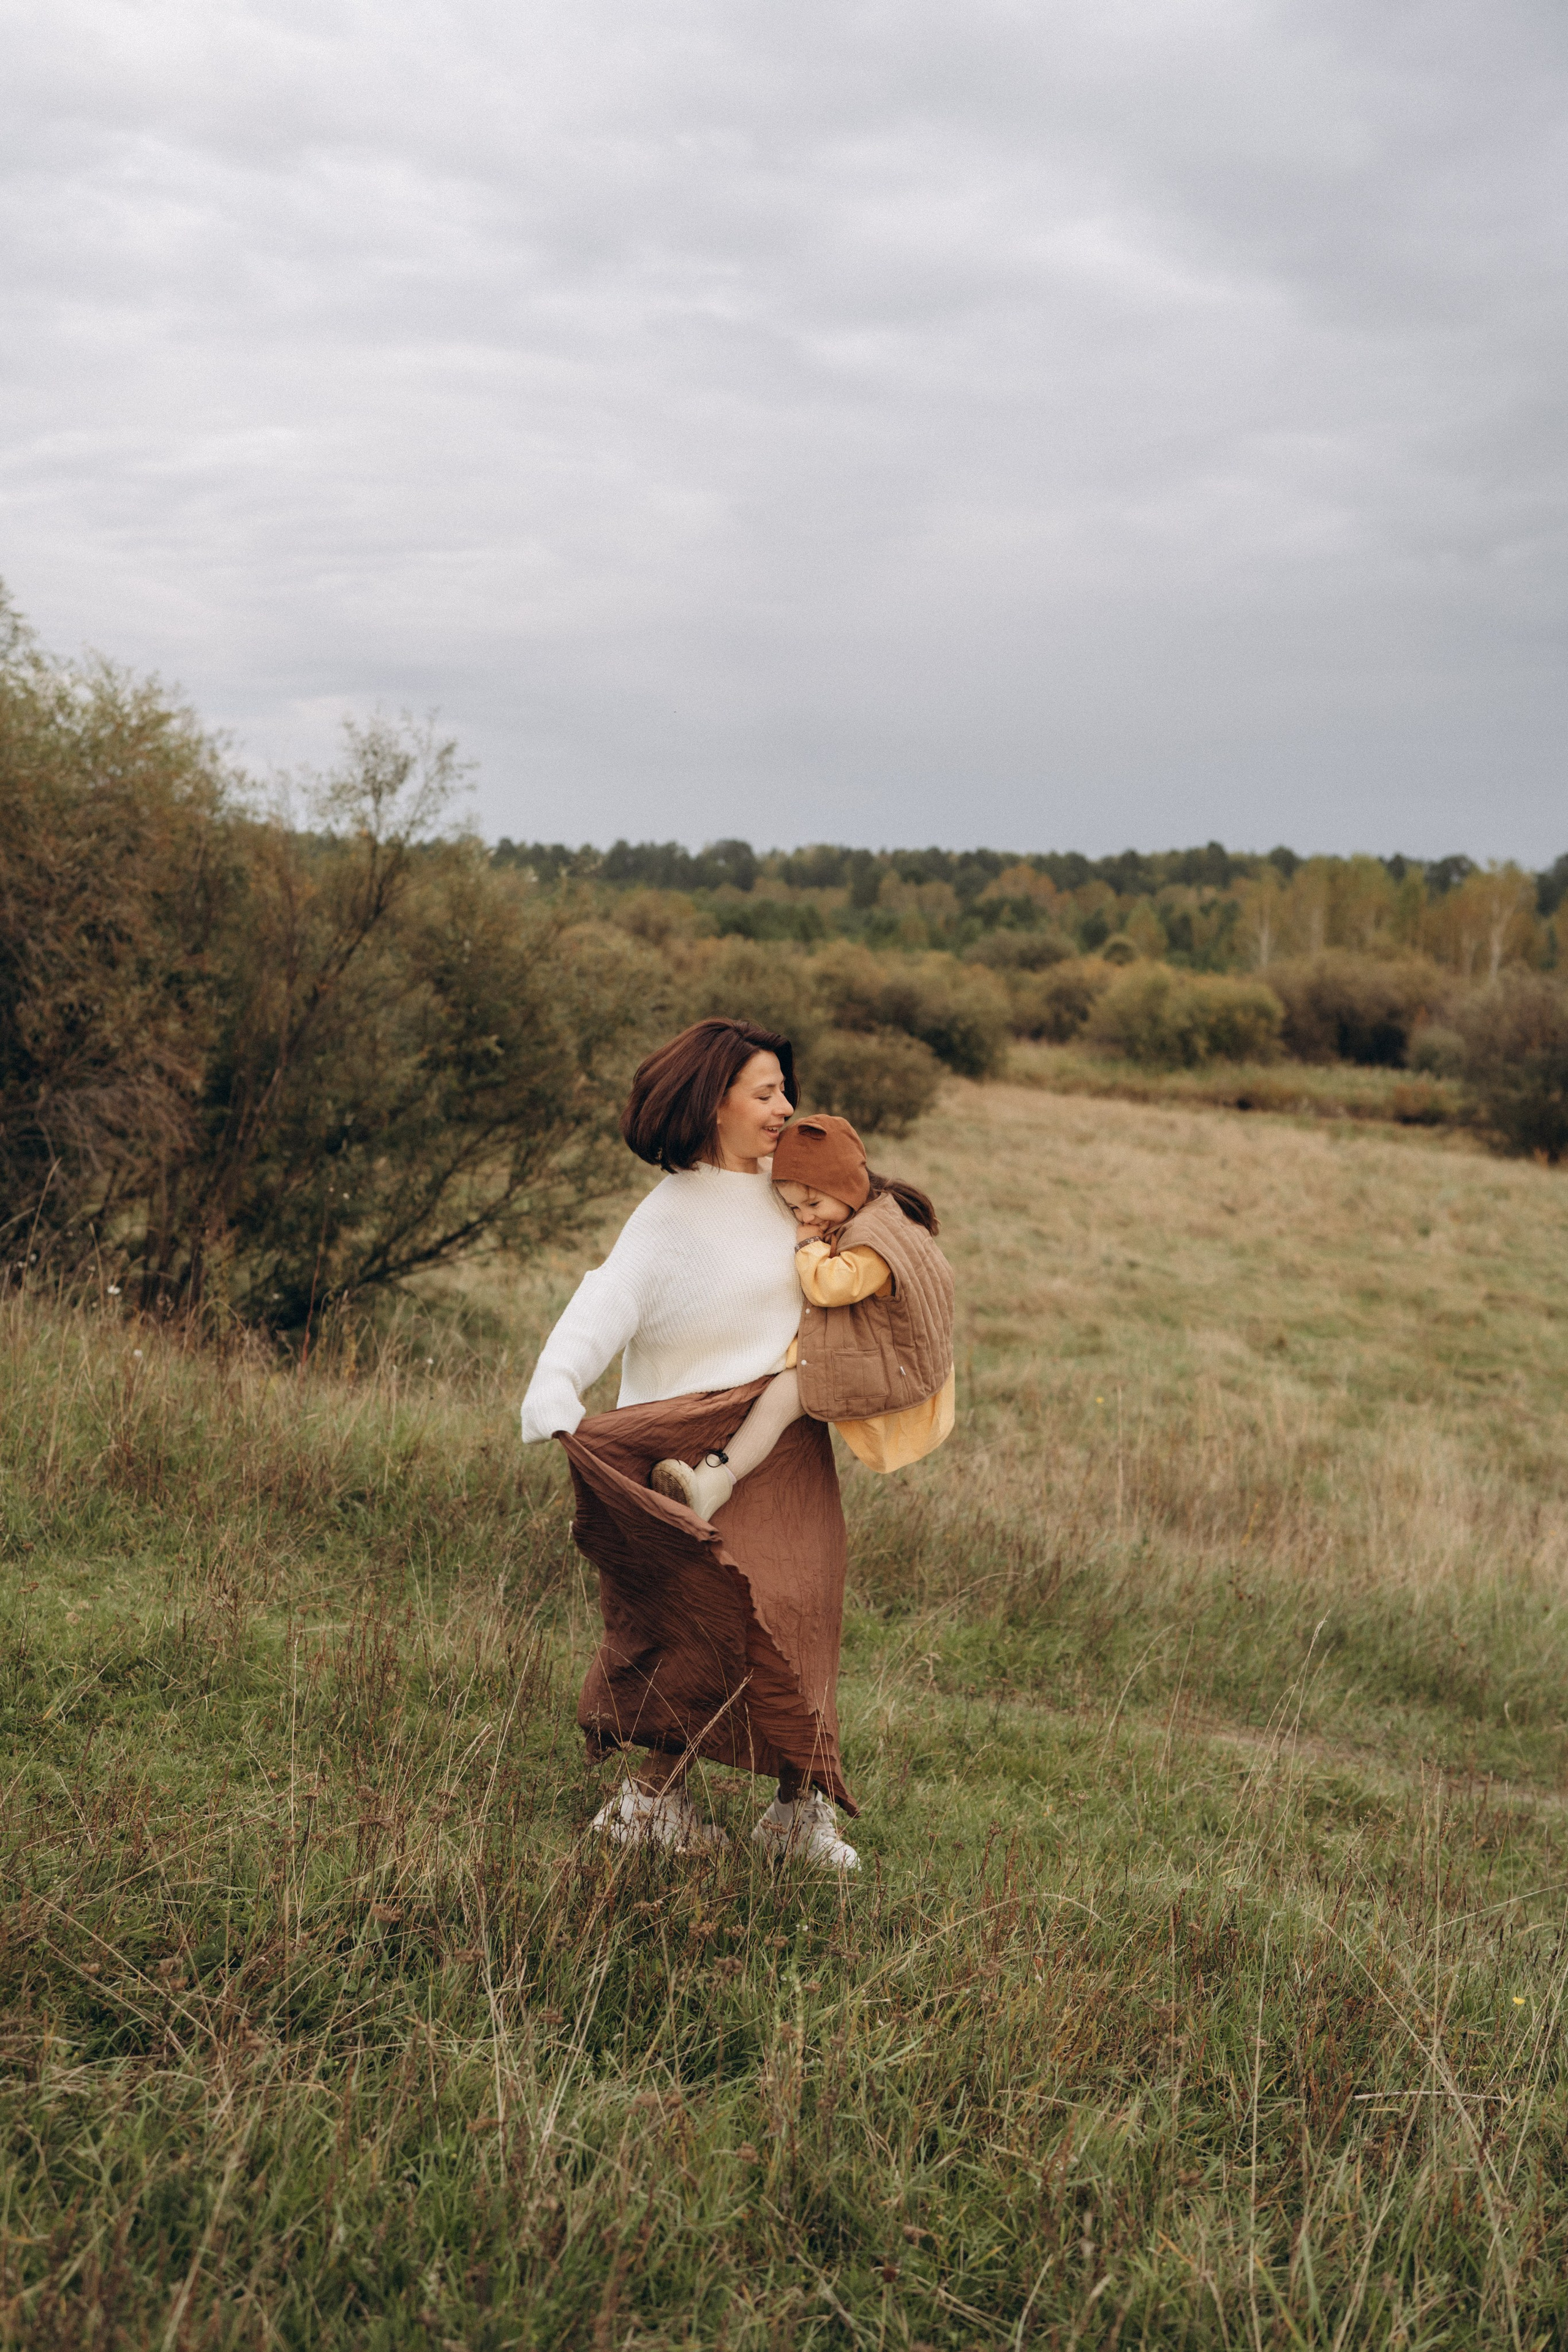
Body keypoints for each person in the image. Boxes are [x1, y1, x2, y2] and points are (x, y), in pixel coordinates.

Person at [519, 1019, 860, 1869]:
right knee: (715, 1629)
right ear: (714, 1103)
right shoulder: (670, 1213)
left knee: (802, 1614)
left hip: (786, 1442)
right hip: (689, 1449)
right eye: (765, 1093)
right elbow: (605, 1300)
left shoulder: (792, 1193)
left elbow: (871, 1236)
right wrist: (556, 1387)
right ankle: (647, 1805)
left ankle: (797, 1813)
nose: (784, 1108)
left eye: (785, 1091)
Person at [650, 1112, 955, 1521]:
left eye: (813, 1204)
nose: (805, 1217)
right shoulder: (878, 1210)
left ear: (848, 1185)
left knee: (780, 1398)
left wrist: (809, 1245)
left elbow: (831, 1286)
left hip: (890, 1362)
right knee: (770, 1381)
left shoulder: (872, 1241)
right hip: (875, 1343)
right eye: (794, 1207)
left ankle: (712, 1484)